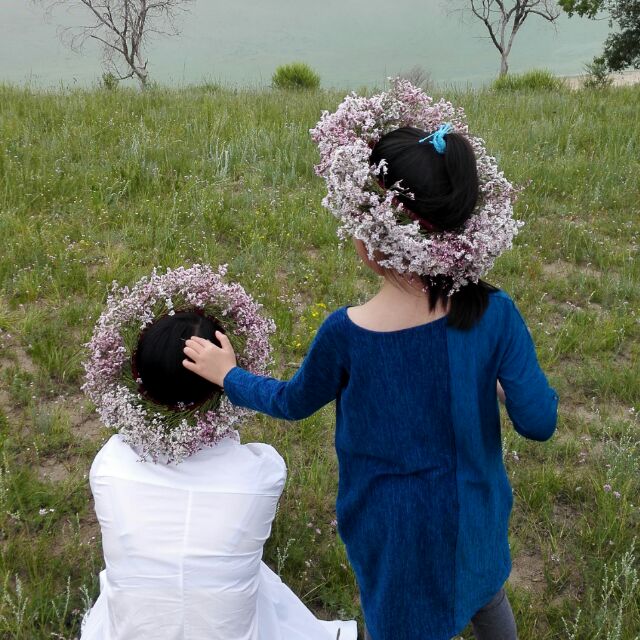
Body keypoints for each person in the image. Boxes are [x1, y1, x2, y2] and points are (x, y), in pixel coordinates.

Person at [183, 127, 558, 640]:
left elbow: (291, 402)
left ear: (367, 241)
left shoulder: (347, 334)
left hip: (393, 534)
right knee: (485, 591)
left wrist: (228, 375)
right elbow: (538, 422)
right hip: (477, 513)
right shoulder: (496, 313)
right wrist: (505, 384)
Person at [81, 311, 357, 640]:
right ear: (219, 393)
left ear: (139, 384)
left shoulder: (109, 465)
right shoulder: (263, 472)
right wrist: (232, 376)